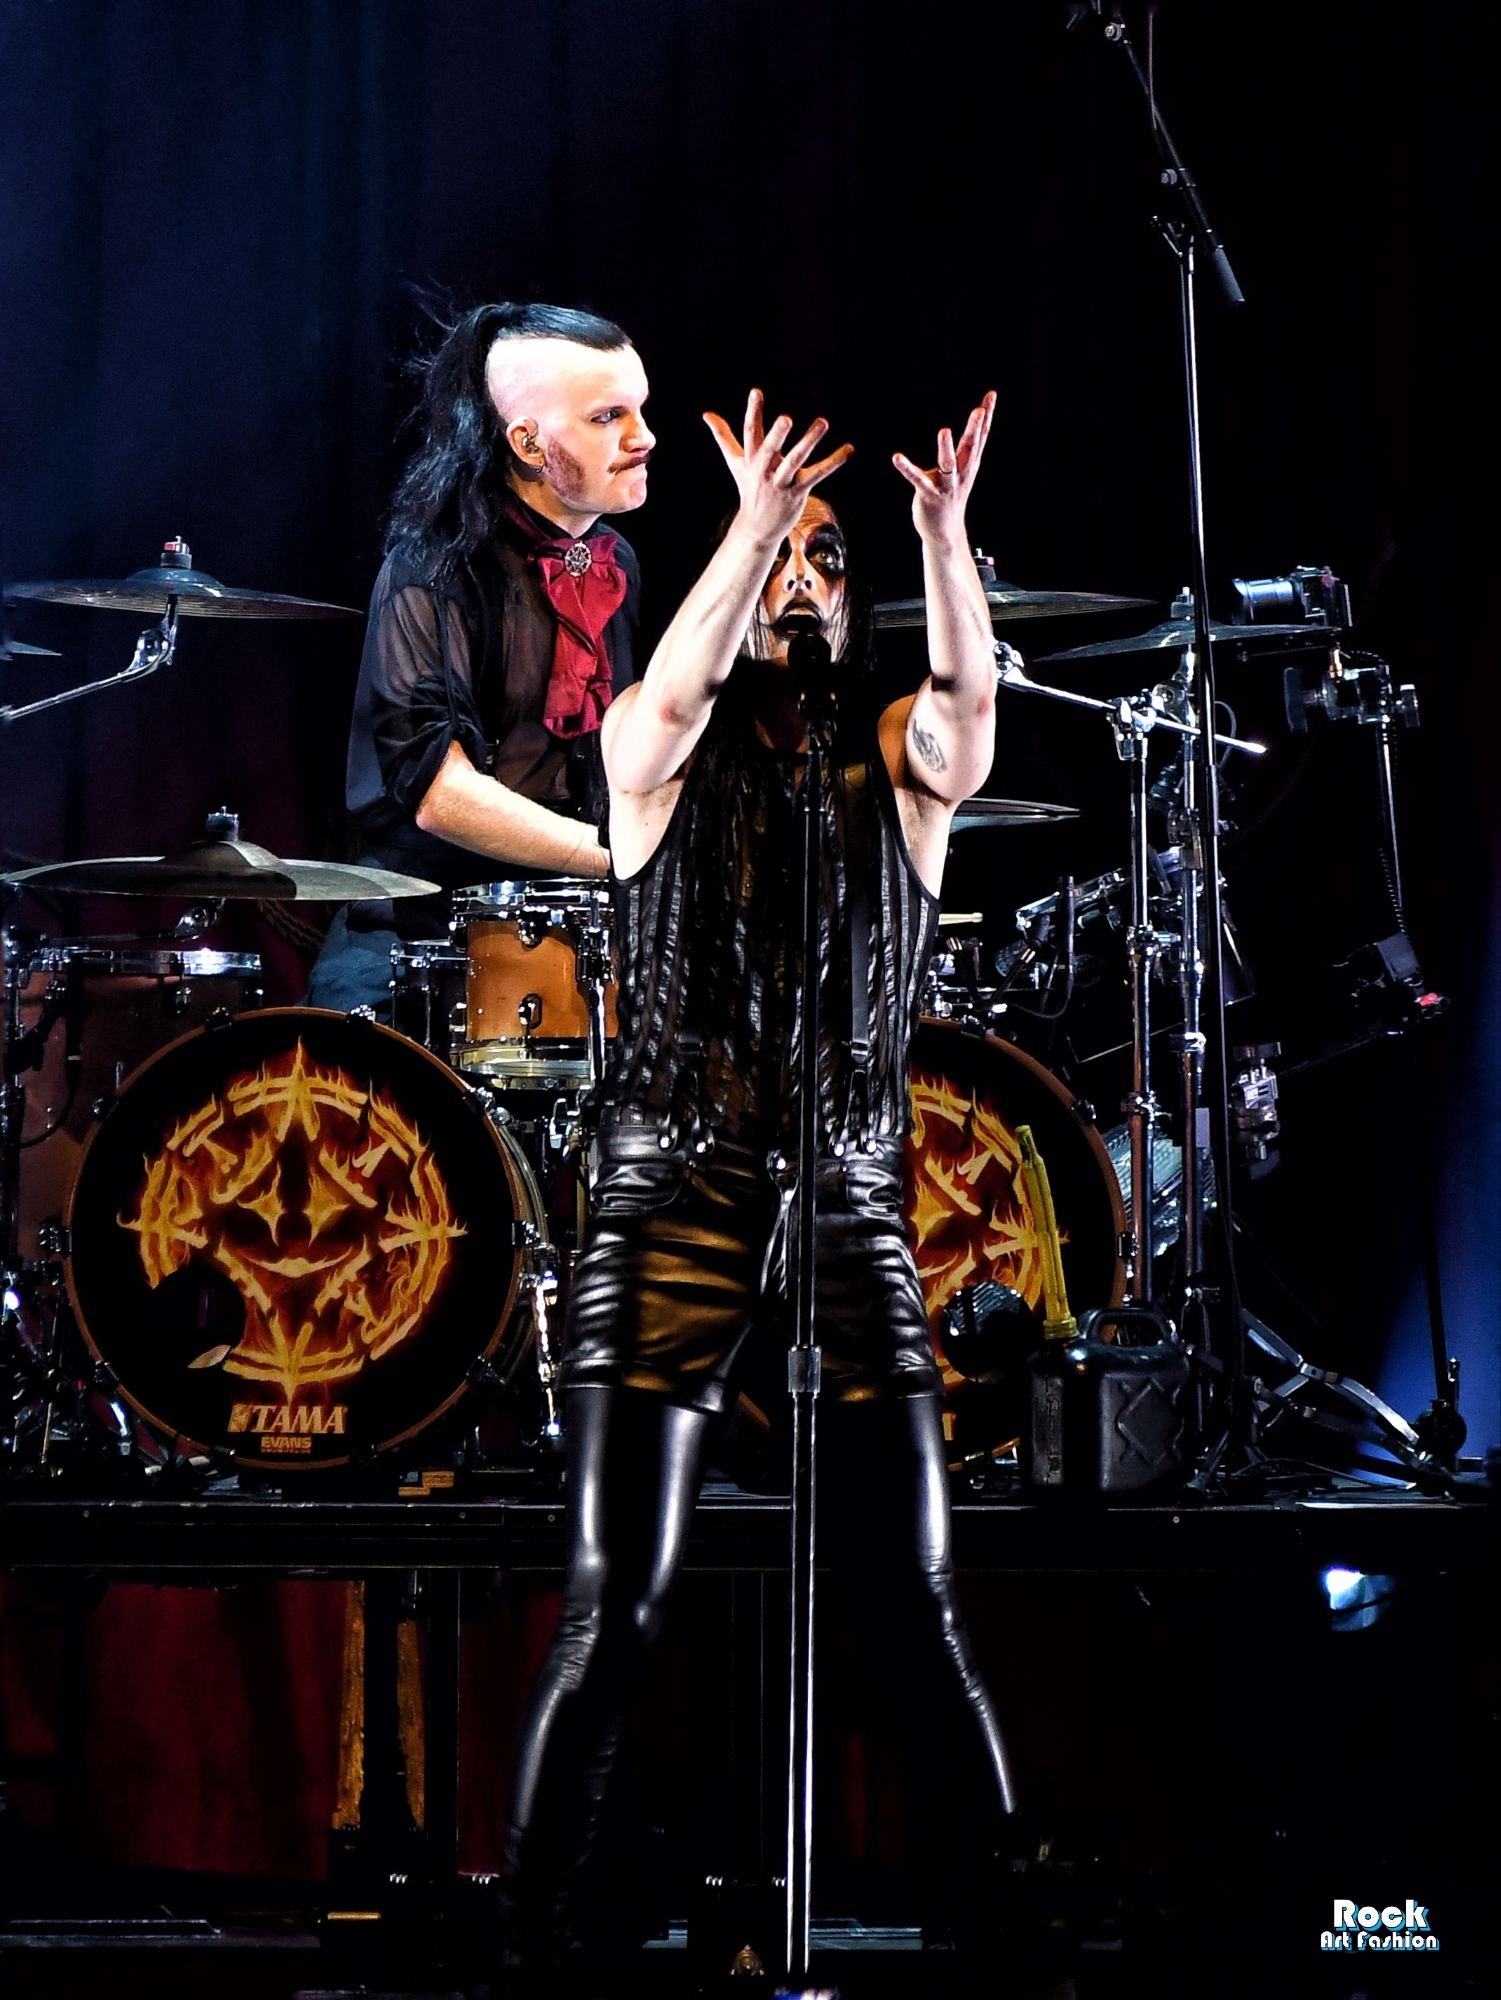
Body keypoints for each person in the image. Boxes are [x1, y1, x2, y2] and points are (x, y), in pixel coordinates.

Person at [499, 386, 1016, 1981]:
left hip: (850, 1197)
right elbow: (662, 701)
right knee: (616, 1606)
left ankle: (1000, 1950)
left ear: (855, 608)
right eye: (785, 558)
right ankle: (538, 1952)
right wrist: (750, 529)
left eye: (824, 563)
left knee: (916, 1608)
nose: (802, 577)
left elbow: (969, 718)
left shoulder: (891, 764)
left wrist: (940, 538)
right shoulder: (653, 756)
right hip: (668, 1196)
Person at [305, 300, 653, 1014]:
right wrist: (618, 855)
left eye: (640, 409)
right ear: (528, 443)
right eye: (606, 417)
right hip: (420, 933)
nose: (642, 437)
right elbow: (441, 795)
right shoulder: (433, 567)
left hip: (568, 927)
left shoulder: (616, 563)